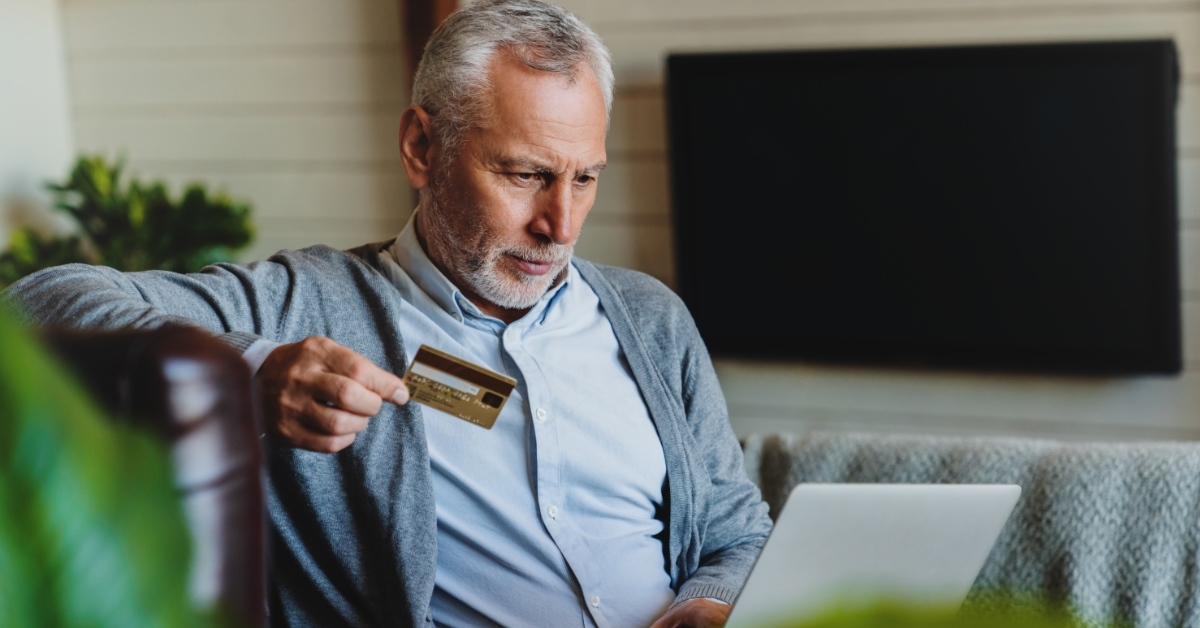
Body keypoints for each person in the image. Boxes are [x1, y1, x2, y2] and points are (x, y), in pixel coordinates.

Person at [4, 1, 772, 626]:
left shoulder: (650, 317)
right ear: (419, 147)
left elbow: (738, 534)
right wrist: (248, 373)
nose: (560, 225)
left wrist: (712, 603)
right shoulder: (306, 305)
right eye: (526, 174)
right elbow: (34, 306)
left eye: (585, 178)